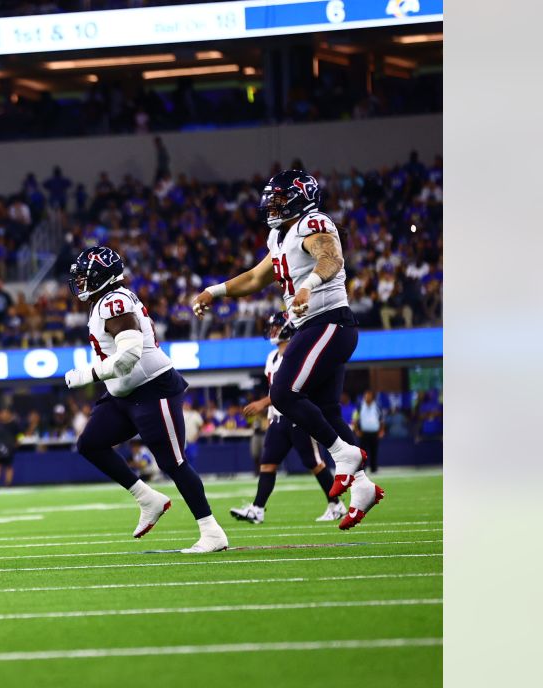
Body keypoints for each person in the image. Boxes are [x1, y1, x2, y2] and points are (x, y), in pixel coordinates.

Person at [192, 170, 384, 530]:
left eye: (279, 199)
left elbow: (331, 258)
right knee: (327, 411)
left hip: (329, 321)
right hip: (315, 327)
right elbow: (253, 278)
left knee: (282, 392)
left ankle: (345, 455)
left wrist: (308, 285)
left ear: (299, 198)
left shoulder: (312, 222)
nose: (272, 205)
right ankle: (362, 487)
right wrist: (214, 292)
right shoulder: (279, 235)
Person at [65, 246, 228, 553]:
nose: (81, 284)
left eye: (86, 277)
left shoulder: (114, 301)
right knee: (90, 443)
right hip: (123, 393)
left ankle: (211, 531)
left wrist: (87, 375)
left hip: (153, 388)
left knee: (174, 463)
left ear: (102, 277)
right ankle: (147, 498)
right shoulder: (108, 299)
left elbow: (128, 356)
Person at [230, 312, 345, 524]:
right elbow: (274, 389)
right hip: (279, 418)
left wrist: (262, 403)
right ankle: (257, 509)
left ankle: (336, 504)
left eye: (276, 327)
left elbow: (289, 390)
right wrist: (269, 412)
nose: (272, 331)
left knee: (314, 463)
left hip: (297, 416)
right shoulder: (271, 357)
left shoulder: (296, 355)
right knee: (267, 464)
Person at [0, 406, 19, 487]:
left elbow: (20, 435)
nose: (3, 415)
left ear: (9, 414)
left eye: (5, 413)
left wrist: (18, 442)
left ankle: (8, 483)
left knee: (8, 466)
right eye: (2, 413)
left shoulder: (14, 424)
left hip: (9, 449)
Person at [355, 390, 383, 473]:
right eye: (366, 396)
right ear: (364, 397)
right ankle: (362, 469)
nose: (368, 397)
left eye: (369, 396)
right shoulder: (360, 406)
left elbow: (381, 420)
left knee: (374, 451)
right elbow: (356, 419)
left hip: (374, 433)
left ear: (372, 397)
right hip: (364, 433)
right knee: (363, 453)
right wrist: (357, 430)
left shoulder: (377, 406)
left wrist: (381, 431)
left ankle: (374, 468)